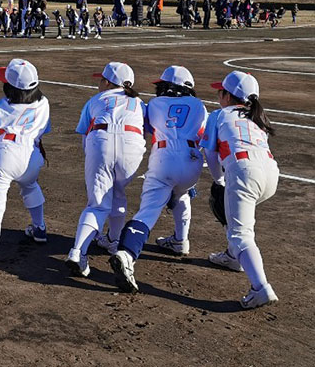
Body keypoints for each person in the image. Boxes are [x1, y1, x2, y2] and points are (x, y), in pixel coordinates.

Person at [109, 66, 207, 293]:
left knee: (148, 211)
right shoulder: (199, 105)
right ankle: (181, 241)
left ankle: (126, 254)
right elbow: (203, 135)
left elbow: (143, 129)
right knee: (181, 193)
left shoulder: (153, 105)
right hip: (193, 160)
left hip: (163, 158)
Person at [202, 71, 279, 309]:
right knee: (237, 218)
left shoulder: (219, 115)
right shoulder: (257, 119)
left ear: (228, 95)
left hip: (244, 172)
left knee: (241, 234)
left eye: (220, 91)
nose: (217, 95)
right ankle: (233, 255)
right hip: (270, 173)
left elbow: (210, 153)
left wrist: (218, 180)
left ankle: (261, 288)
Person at [0, 59, 50, 281]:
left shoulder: (3, 105)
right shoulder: (44, 103)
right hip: (33, 153)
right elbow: (43, 130)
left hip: (6, 150)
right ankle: (39, 228)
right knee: (30, 185)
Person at [65, 62, 146, 277]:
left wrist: (95, 161)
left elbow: (85, 135)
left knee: (98, 204)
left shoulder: (96, 100)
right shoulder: (139, 102)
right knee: (118, 193)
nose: (99, 83)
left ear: (109, 82)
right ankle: (113, 240)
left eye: (101, 79)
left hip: (101, 140)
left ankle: (78, 252)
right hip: (132, 146)